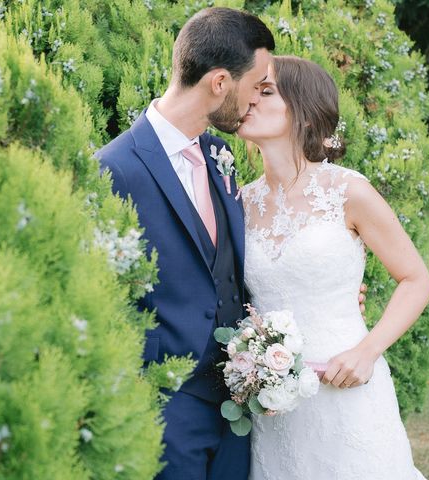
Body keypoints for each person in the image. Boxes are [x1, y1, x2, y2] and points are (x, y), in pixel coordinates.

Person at [96, 7, 274, 479]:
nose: (257, 99)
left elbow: (232, 264)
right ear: (219, 82)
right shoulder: (113, 170)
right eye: (256, 86)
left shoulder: (220, 156)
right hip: (164, 408)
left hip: (237, 405)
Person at [237, 55, 429, 479]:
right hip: (273, 403)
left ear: (304, 114)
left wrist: (368, 351)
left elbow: (416, 279)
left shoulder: (348, 191)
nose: (250, 100)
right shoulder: (239, 202)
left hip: (346, 384)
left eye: (266, 92)